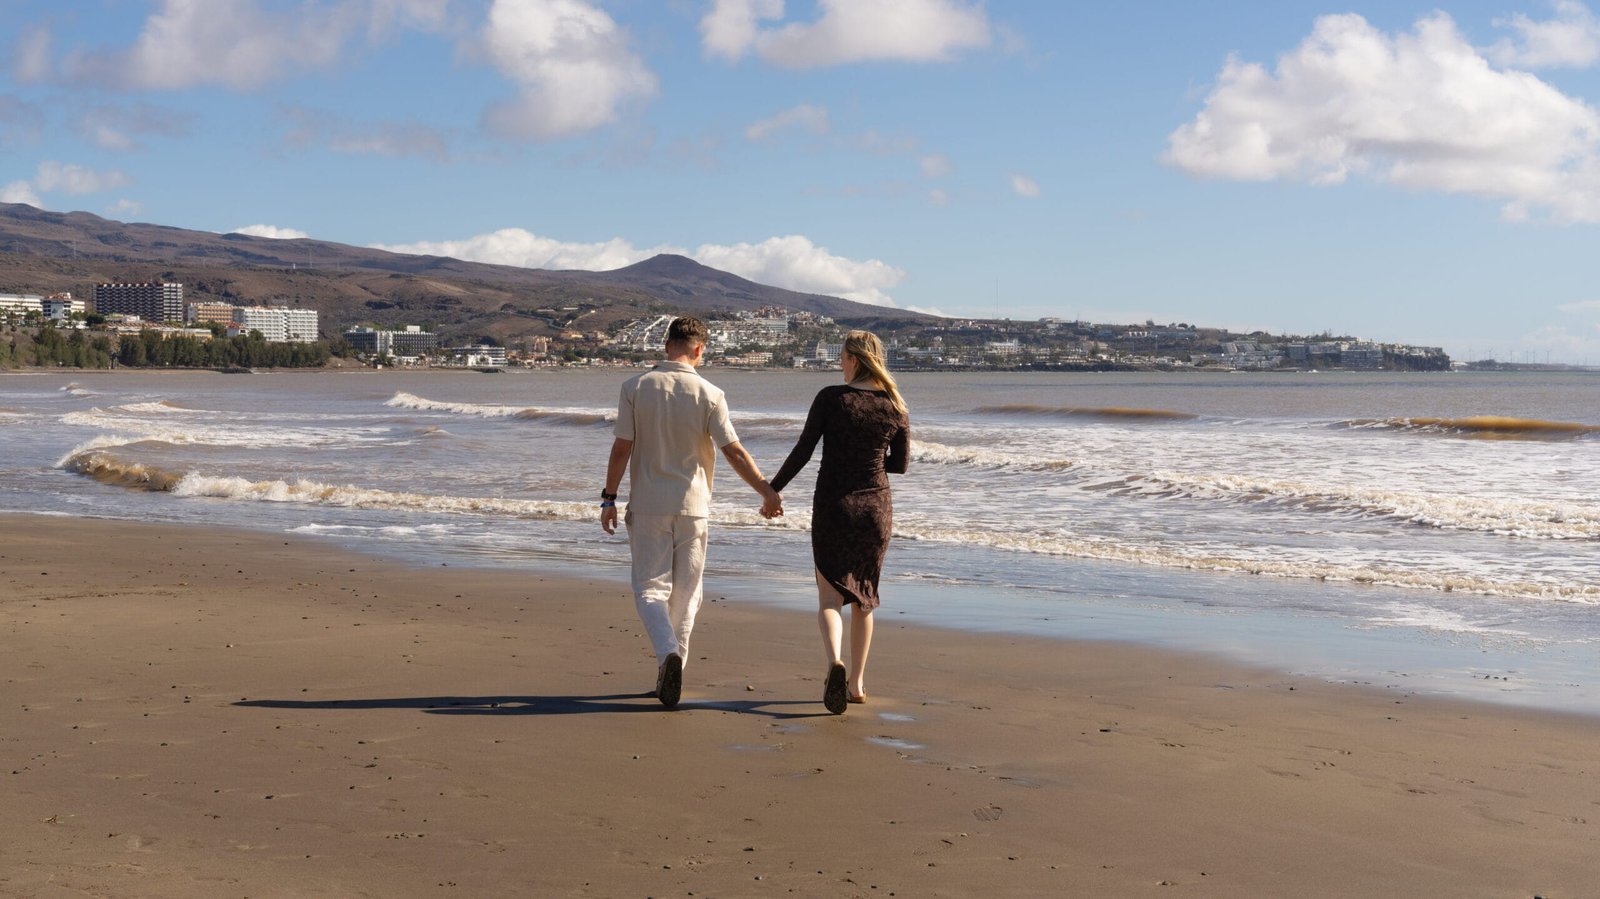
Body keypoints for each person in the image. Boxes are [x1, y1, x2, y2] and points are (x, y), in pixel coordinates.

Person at [601, 317, 782, 709]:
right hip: (694, 506)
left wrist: (608, 498)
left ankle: (668, 656)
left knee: (650, 589)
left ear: (667, 345)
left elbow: (621, 448)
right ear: (700, 349)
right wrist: (766, 491)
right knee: (687, 593)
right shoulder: (711, 393)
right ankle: (675, 663)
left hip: (649, 504)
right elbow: (733, 450)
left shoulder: (635, 387)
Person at [767, 330, 909, 714]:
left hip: (833, 504)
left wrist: (771, 490)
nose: (839, 364)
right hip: (875, 509)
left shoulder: (831, 398)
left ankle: (834, 664)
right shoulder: (896, 406)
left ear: (853, 358)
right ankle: (857, 684)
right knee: (865, 599)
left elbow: (803, 450)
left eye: (842, 357)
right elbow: (900, 464)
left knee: (830, 599)